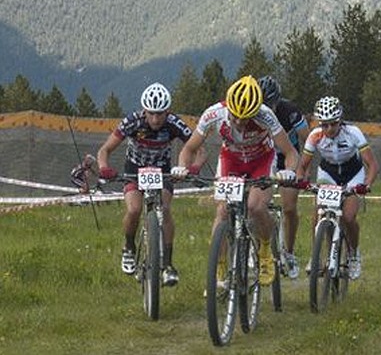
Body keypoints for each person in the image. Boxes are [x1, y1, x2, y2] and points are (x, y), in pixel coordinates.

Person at [171, 75, 299, 286]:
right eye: (235, 117)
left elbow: (291, 152)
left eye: (246, 118)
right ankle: (219, 264)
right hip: (231, 160)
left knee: (256, 207)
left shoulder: (266, 115)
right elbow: (189, 148)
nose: (239, 123)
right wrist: (182, 167)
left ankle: (265, 249)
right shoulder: (214, 113)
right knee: (222, 212)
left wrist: (289, 171)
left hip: (261, 159)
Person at [96, 82, 206, 287]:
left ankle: (168, 264)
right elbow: (104, 150)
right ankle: (128, 248)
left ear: (167, 112)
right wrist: (104, 168)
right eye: (151, 113)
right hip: (134, 170)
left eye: (160, 114)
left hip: (162, 171)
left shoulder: (175, 123)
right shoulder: (132, 122)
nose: (155, 119)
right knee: (134, 209)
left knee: (164, 209)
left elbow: (200, 150)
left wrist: (194, 168)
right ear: (144, 110)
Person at [297, 96, 379, 280]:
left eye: (333, 124)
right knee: (318, 212)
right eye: (324, 125)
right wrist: (301, 179)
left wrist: (367, 184)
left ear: (340, 120)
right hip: (329, 173)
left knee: (349, 217)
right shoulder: (315, 135)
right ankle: (316, 256)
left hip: (352, 173)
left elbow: (372, 164)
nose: (328, 129)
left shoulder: (353, 132)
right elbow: (302, 165)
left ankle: (354, 255)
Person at [258, 75, 309, 279]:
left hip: (290, 158)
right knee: (257, 205)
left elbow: (309, 141)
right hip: (265, 158)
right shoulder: (254, 113)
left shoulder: (290, 111)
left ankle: (289, 252)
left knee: (289, 208)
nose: (267, 108)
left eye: (270, 103)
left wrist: (301, 170)